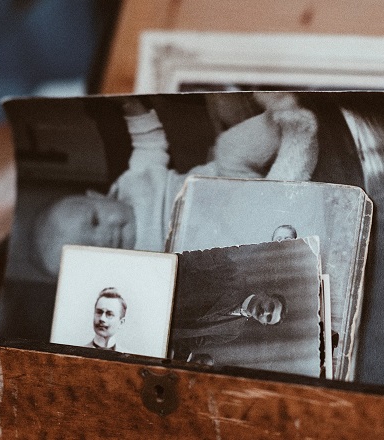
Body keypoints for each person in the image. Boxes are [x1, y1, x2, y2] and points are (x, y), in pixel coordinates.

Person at [31, 94, 319, 277]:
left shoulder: (131, 182)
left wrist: (134, 109)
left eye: (94, 221)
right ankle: (294, 159)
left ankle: (283, 120)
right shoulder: (137, 265)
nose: (104, 237)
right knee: (259, 236)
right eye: (91, 252)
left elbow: (148, 144)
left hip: (223, 176)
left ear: (97, 196)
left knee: (229, 147)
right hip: (229, 227)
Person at [171, 289, 288, 360]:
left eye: (268, 317)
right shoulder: (232, 278)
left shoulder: (232, 333)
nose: (265, 312)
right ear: (264, 294)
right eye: (270, 306)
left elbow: (195, 341)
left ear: (263, 323)